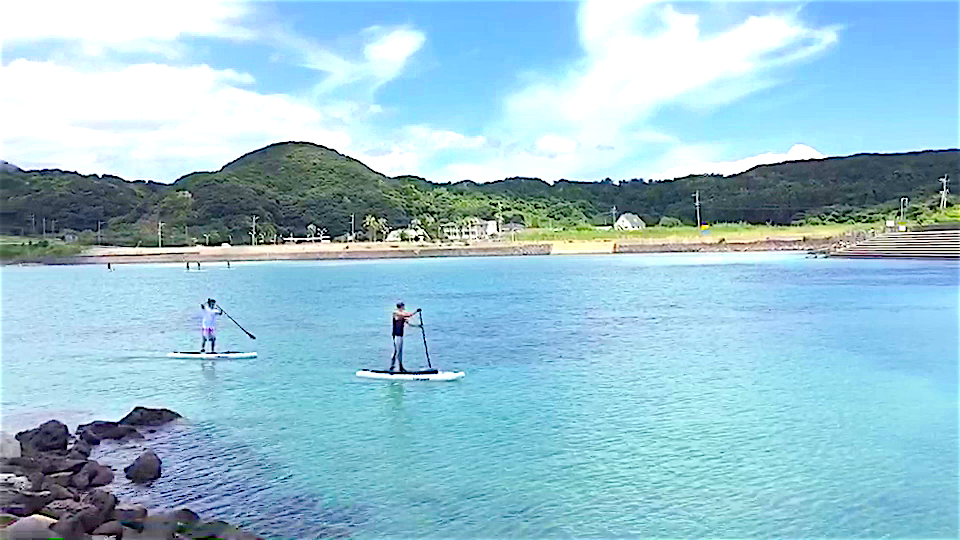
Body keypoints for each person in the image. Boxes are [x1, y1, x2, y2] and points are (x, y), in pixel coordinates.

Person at [390, 302, 420, 372]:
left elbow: (409, 323)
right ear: (401, 307)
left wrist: (418, 326)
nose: (404, 308)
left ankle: (400, 367)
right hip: (396, 335)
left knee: (399, 352)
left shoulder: (403, 316)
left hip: (401, 335)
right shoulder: (396, 313)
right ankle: (392, 367)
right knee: (396, 352)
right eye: (403, 306)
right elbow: (408, 315)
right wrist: (416, 311)